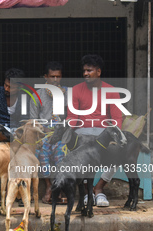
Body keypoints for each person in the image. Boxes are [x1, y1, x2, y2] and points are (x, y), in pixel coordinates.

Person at [66, 54, 123, 207]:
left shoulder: (111, 90)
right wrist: (68, 133)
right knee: (80, 154)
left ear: (98, 72)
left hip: (103, 133)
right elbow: (72, 117)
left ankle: (99, 189)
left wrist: (115, 136)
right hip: (82, 132)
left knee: (118, 152)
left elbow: (117, 117)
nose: (86, 74)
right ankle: (86, 192)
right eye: (84, 71)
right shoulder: (76, 90)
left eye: (89, 70)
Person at [30, 61, 68, 204]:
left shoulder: (67, 93)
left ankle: (61, 186)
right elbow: (33, 120)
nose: (55, 80)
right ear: (46, 77)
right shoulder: (37, 95)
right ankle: (49, 186)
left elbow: (70, 116)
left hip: (61, 132)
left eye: (58, 77)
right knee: (42, 151)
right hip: (43, 133)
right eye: (52, 76)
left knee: (61, 151)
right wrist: (45, 130)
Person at [0, 67, 27, 132]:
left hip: (16, 132)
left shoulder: (24, 98)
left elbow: (24, 120)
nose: (6, 89)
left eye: (11, 87)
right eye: (5, 85)